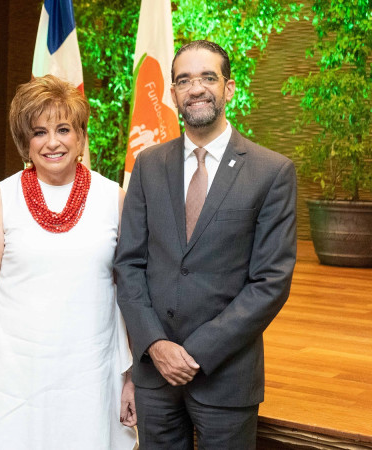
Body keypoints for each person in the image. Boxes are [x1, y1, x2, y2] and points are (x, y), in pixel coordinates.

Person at [114, 40, 297, 449]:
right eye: (184, 80)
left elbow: (270, 282)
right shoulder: (147, 165)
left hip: (225, 377)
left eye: (207, 77)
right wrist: (156, 345)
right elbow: (128, 265)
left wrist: (194, 353)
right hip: (154, 375)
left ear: (228, 88)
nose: (195, 88)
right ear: (173, 93)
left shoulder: (271, 172)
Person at [0, 74, 138, 449]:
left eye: (64, 129)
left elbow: (129, 294)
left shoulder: (114, 198)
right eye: (39, 132)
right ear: (24, 141)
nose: (52, 142)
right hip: (10, 382)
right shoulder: (2, 198)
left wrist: (133, 377)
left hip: (90, 381)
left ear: (80, 136)